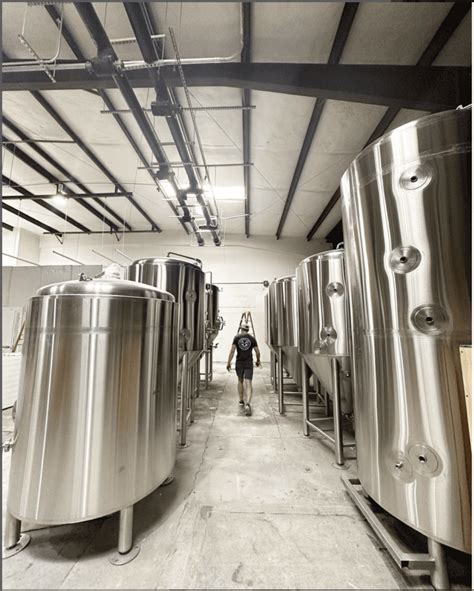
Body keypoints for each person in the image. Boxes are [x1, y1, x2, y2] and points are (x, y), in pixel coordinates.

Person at [226, 323, 261, 416]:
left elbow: (232, 351)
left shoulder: (236, 338)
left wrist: (228, 362)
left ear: (241, 329)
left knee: (240, 380)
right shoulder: (252, 339)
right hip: (249, 362)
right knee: (249, 382)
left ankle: (241, 400)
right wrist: (258, 361)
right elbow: (257, 352)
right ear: (248, 330)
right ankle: (248, 403)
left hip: (239, 362)